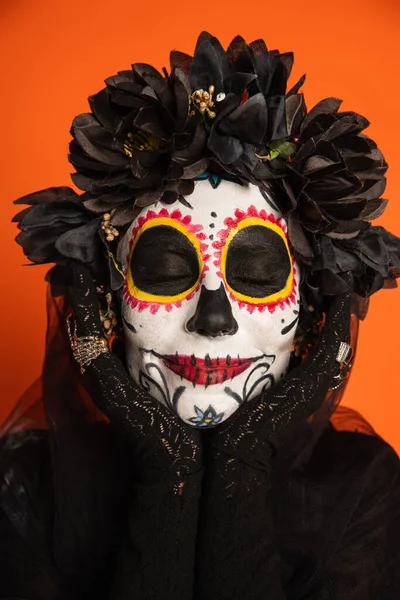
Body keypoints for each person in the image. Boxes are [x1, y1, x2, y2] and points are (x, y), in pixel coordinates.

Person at [1, 31, 400, 599]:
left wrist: (243, 462)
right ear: (107, 305)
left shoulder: (365, 488)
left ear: (314, 311)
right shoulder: (24, 490)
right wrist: (168, 473)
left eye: (258, 274)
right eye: (165, 271)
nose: (214, 319)